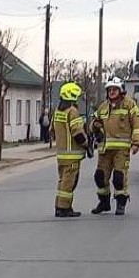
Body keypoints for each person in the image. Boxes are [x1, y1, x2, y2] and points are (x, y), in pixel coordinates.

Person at [90, 77, 139, 216]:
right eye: (110, 89)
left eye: (115, 89)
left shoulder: (129, 105)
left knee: (119, 178)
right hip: (105, 149)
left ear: (121, 90)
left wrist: (136, 143)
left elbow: (137, 125)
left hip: (121, 149)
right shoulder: (103, 107)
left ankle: (121, 203)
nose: (112, 92)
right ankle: (104, 202)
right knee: (100, 177)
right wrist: (94, 126)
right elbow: (93, 123)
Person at [50, 82, 89, 218]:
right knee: (69, 182)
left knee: (62, 181)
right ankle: (64, 208)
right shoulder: (72, 111)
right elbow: (77, 133)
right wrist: (86, 144)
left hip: (61, 155)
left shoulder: (57, 111)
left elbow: (51, 130)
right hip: (72, 156)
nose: (78, 99)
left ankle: (59, 206)